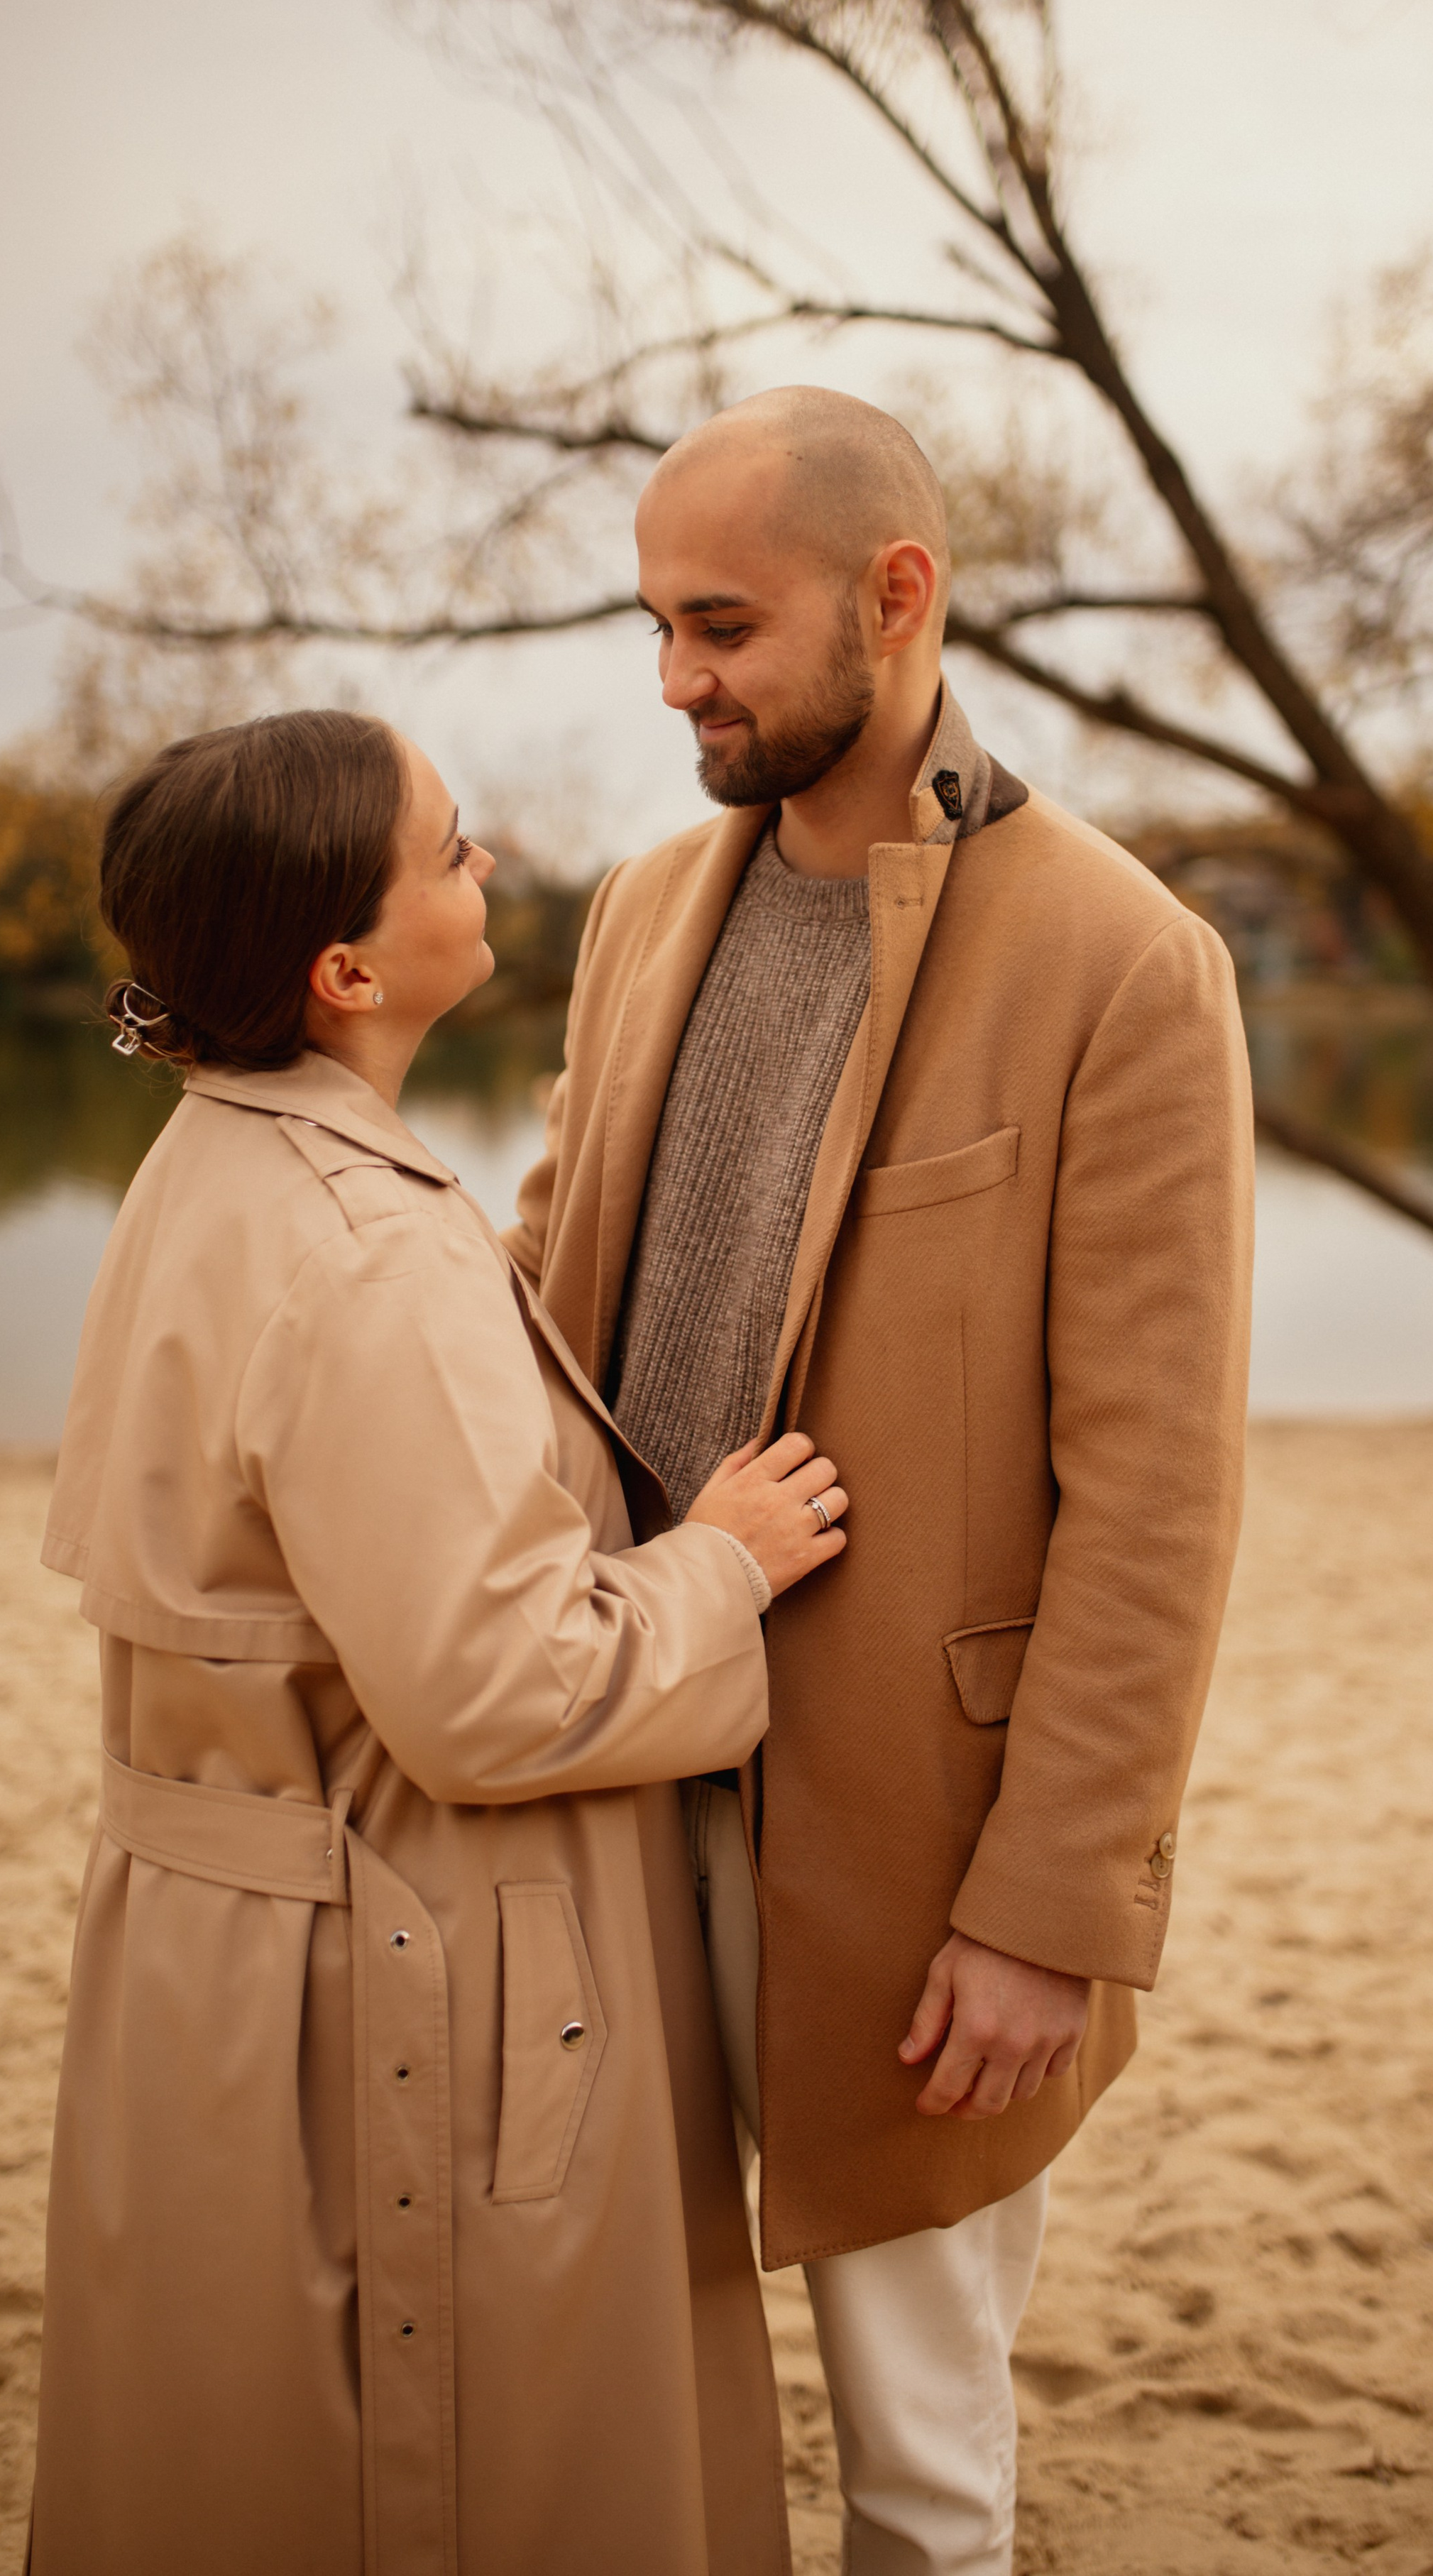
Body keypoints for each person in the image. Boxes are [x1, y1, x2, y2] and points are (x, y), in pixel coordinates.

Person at [502, 388, 1255, 2575]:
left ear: (898, 595)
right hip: (605, 1780)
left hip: (913, 1855)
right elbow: (542, 1294)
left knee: (921, 2471)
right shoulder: (641, 907)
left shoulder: (1123, 957)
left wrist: (1049, 1909)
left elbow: (1157, 1493)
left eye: (721, 625)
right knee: (610, 2407)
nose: (676, 681)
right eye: (656, 628)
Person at [29, 707, 849, 2576]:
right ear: (344, 967)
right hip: (402, 1972)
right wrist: (722, 1565)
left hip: (215, 1974)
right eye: (453, 844)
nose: (486, 865)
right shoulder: (362, 1244)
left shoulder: (210, 1162)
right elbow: (498, 1691)